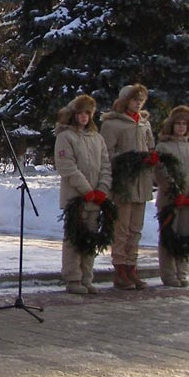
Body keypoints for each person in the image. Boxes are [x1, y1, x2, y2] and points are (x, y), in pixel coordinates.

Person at [54, 94, 112, 295]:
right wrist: (86, 190)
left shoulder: (97, 138)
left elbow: (105, 165)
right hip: (76, 198)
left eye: (88, 113)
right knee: (74, 239)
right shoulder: (65, 137)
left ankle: (87, 277)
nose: (84, 117)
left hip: (96, 199)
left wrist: (102, 188)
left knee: (90, 239)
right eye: (80, 113)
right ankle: (73, 278)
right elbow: (66, 166)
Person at [101, 83, 154, 290]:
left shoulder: (144, 124)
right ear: (125, 101)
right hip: (123, 183)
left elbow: (150, 146)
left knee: (136, 229)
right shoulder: (113, 124)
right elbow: (106, 153)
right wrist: (127, 160)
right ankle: (120, 268)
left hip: (142, 183)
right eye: (134, 100)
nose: (138, 103)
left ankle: (132, 266)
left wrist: (150, 158)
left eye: (141, 100)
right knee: (121, 228)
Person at [153, 105, 189, 288]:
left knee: (185, 236)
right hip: (169, 201)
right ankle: (168, 274)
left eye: (184, 124)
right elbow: (160, 172)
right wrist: (174, 192)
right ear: (172, 125)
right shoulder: (163, 147)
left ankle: (182, 272)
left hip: (188, 202)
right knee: (169, 237)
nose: (181, 127)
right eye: (178, 123)